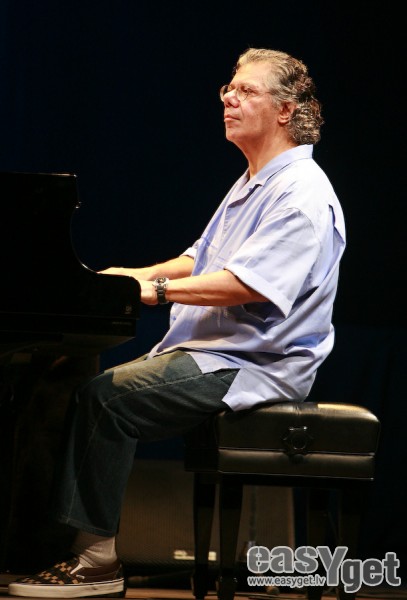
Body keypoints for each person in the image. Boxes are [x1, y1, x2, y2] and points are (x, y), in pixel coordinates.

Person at [9, 47, 346, 598]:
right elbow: (200, 258)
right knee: (63, 375)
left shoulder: (302, 192)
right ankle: (32, 546)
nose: (229, 99)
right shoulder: (255, 180)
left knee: (107, 398)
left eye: (246, 91)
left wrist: (158, 291)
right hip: (216, 350)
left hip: (255, 364)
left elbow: (250, 284)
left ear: (285, 110)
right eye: (228, 89)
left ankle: (96, 562)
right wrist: (130, 275)